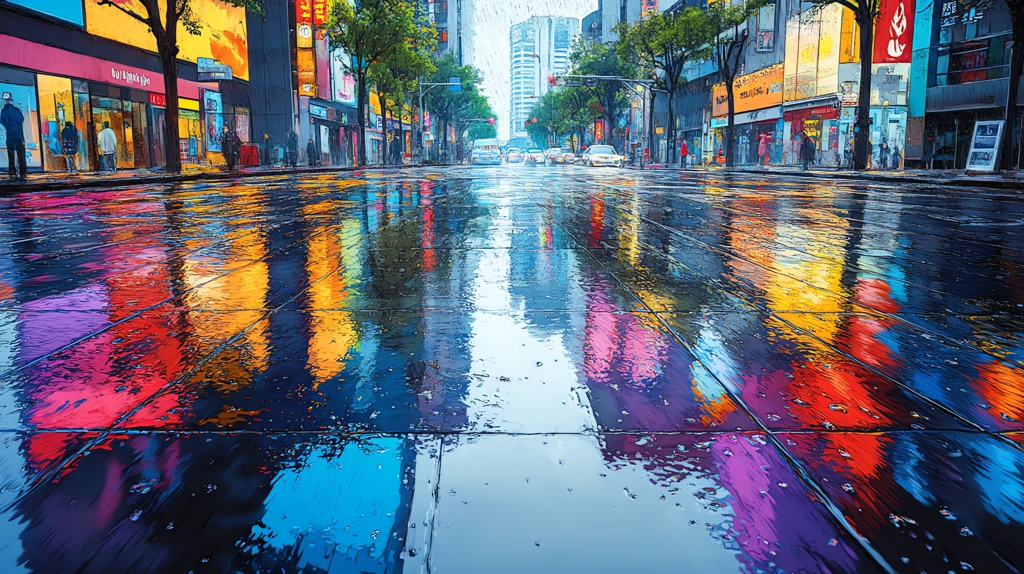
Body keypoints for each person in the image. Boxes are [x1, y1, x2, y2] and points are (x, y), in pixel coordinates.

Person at [1, 95, 28, 180]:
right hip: (18, 136)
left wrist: (9, 126)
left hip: (10, 136)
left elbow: (2, 121)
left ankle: (12, 171)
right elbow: (21, 119)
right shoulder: (17, 111)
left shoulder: (3, 111)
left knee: (11, 154)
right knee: (21, 154)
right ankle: (23, 172)